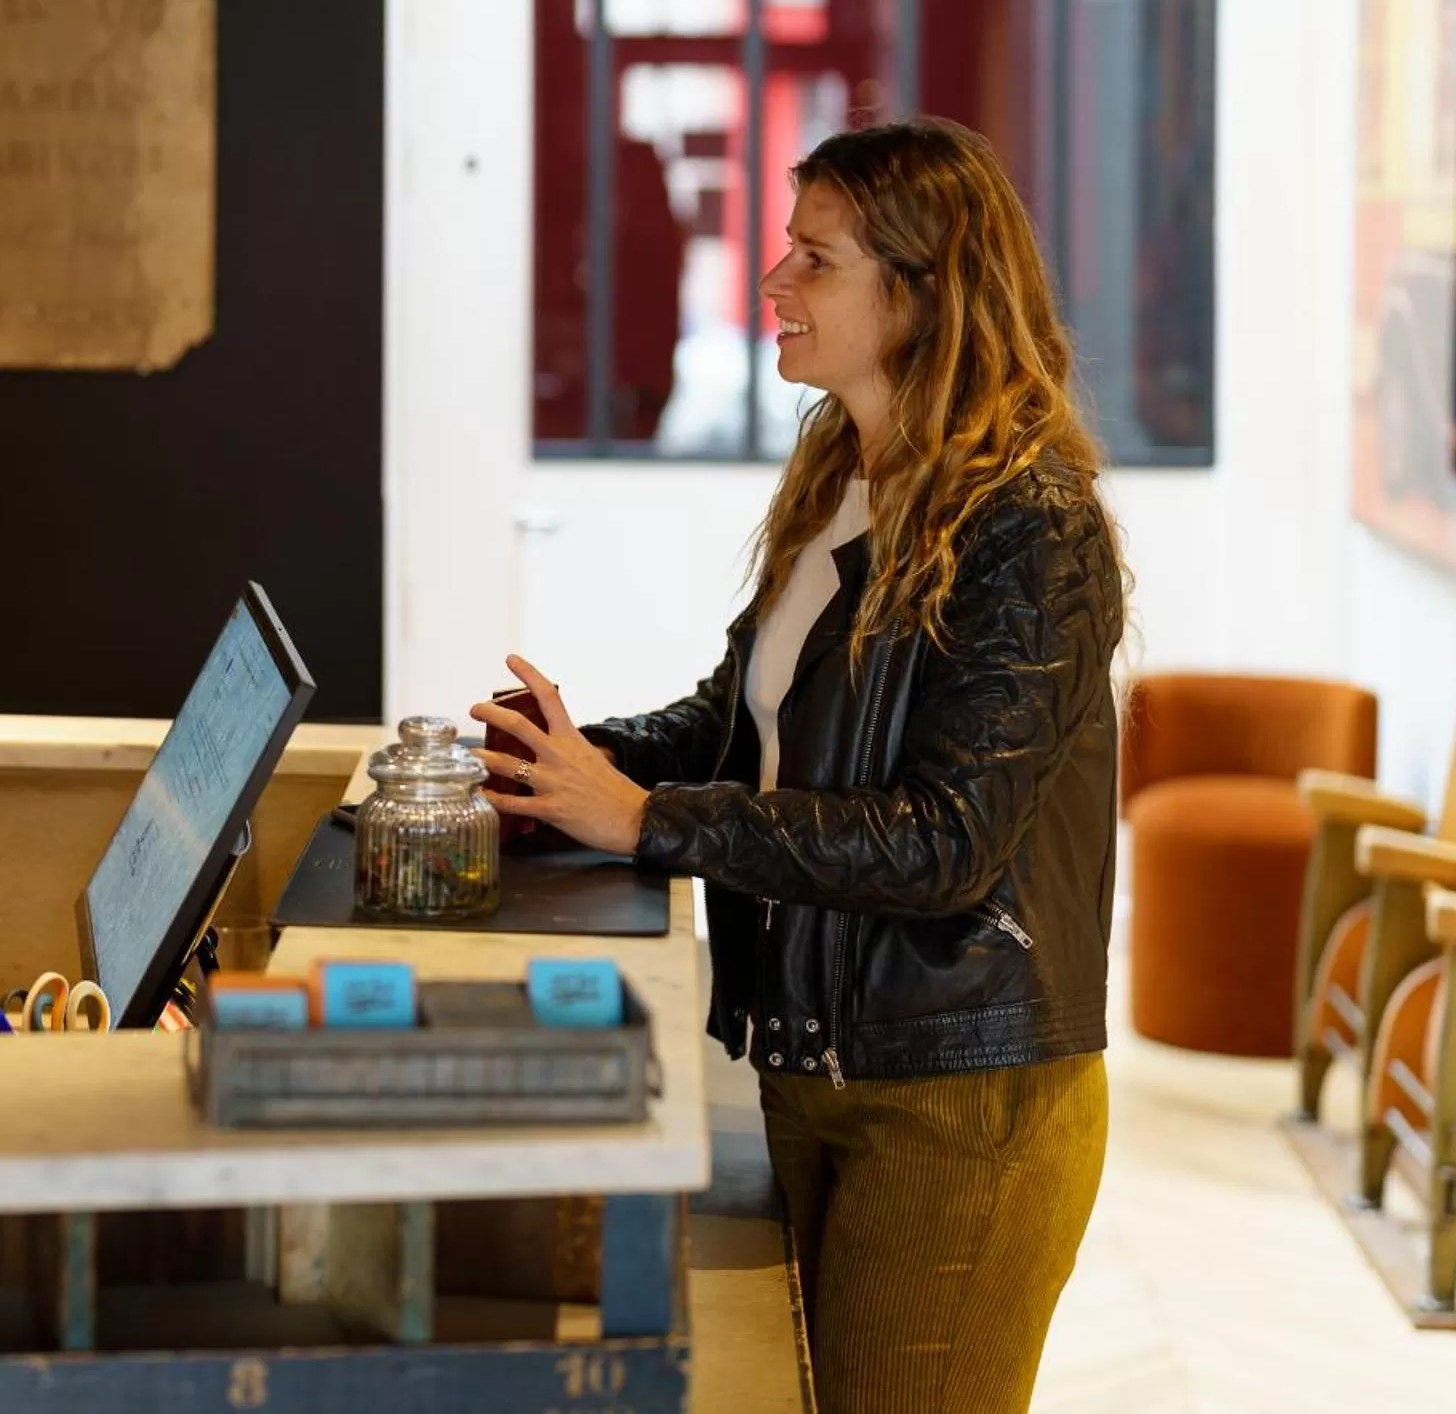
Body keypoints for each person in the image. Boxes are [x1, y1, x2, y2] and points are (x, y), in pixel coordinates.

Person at [474, 118, 1123, 1413]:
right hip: (813, 1061)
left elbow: (944, 844)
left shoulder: (1032, 528)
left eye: (812, 260)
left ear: (921, 291)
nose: (771, 283)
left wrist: (651, 820)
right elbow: (740, 722)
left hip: (958, 1100)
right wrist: (560, 769)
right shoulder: (845, 471)